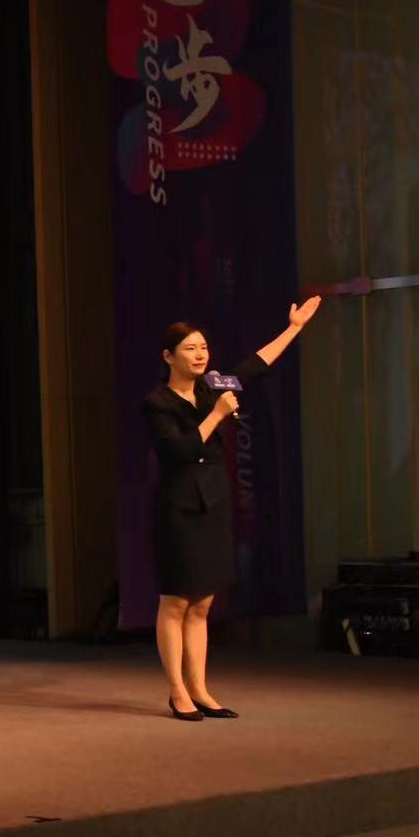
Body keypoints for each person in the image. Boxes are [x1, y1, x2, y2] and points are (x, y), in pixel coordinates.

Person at [143, 299, 320, 721]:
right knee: (175, 601)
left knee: (202, 603)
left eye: (203, 347)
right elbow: (180, 452)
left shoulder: (214, 386)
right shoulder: (158, 403)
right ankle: (177, 691)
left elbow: (256, 365)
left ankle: (200, 689)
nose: (200, 355)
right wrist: (218, 415)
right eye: (190, 348)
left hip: (214, 503)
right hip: (179, 507)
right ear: (169, 356)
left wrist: (294, 328)